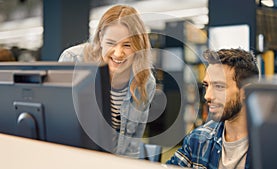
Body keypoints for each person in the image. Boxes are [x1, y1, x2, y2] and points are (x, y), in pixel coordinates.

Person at [59, 5, 156, 158]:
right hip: (72, 159)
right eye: (111, 43)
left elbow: (132, 145)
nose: (118, 53)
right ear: (100, 40)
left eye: (127, 45)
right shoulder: (74, 61)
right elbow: (58, 125)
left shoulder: (145, 81)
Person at [166, 48, 259, 169]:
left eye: (219, 86)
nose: (207, 96)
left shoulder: (272, 147)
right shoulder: (198, 139)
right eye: (206, 85)